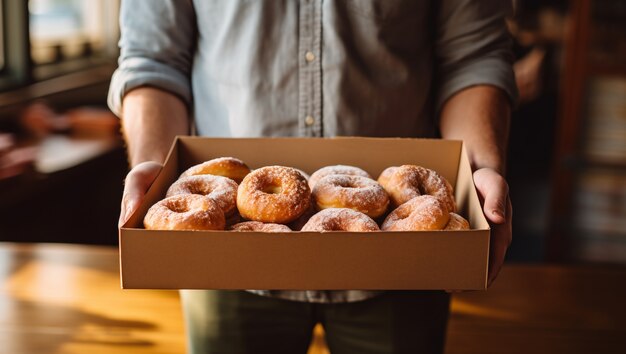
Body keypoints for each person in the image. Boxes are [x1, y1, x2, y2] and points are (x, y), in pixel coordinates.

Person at [109, 1, 516, 353]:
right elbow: (153, 58)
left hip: (406, 264)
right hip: (223, 261)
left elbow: (473, 56)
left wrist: (478, 167)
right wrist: (155, 166)